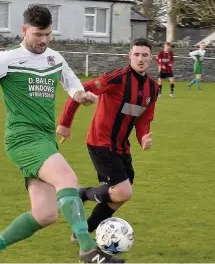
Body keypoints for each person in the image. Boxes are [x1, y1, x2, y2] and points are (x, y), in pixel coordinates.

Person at [0, 5, 125, 264]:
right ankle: (88, 251)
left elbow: (72, 84)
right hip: (22, 138)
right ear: (24, 30)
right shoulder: (6, 58)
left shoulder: (54, 58)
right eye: (38, 34)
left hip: (44, 139)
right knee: (67, 179)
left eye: (48, 34)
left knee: (45, 214)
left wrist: (82, 96)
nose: (44, 40)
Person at [57, 38, 159, 242]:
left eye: (144, 55)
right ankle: (83, 194)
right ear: (129, 56)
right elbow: (80, 90)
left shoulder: (152, 88)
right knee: (123, 191)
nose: (140, 59)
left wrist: (143, 138)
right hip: (100, 142)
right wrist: (65, 123)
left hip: (121, 147)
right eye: (136, 54)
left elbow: (143, 119)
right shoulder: (118, 78)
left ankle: (82, 231)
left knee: (119, 196)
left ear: (151, 58)